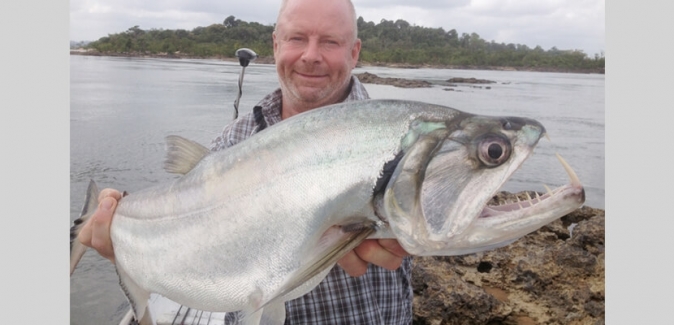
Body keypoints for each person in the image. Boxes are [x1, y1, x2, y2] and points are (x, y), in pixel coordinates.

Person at [77, 0, 413, 323]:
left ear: (354, 52)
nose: (311, 56)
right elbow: (198, 247)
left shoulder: (401, 145)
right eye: (297, 38)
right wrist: (125, 244)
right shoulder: (233, 141)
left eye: (330, 42)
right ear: (276, 44)